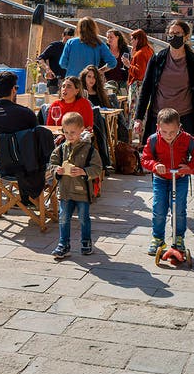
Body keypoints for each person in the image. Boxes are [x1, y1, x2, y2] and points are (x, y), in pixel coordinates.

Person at [133, 19, 194, 145]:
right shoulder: (157, 59)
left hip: (184, 119)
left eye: (178, 33)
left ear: (186, 37)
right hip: (159, 118)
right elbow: (146, 90)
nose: (174, 36)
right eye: (171, 33)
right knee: (158, 159)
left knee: (182, 160)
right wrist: (139, 118)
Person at [140, 108, 194, 256]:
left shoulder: (187, 139)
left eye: (172, 132)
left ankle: (179, 238)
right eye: (164, 132)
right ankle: (158, 238)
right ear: (158, 128)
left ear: (179, 127)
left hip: (180, 178)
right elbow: (145, 159)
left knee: (179, 210)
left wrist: (189, 167)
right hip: (161, 179)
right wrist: (155, 165)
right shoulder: (153, 139)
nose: (168, 136)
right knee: (158, 209)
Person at [47, 112, 102, 260]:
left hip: (82, 191)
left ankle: (86, 242)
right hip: (65, 191)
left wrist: (83, 171)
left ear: (81, 130)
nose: (69, 136)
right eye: (66, 132)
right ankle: (63, 244)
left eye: (73, 132)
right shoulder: (60, 148)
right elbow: (52, 163)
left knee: (84, 218)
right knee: (63, 218)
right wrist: (56, 170)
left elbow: (97, 169)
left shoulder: (89, 149)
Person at [126, 29, 154, 120]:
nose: (131, 42)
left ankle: (135, 133)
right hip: (147, 85)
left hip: (138, 87)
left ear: (137, 39)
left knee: (135, 113)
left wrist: (128, 65)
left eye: (132, 39)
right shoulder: (149, 50)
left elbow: (139, 74)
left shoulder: (140, 53)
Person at [38, 27, 74, 93]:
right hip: (54, 83)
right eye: (67, 40)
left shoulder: (74, 48)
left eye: (70, 41)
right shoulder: (55, 46)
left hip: (70, 84)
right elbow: (40, 59)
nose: (68, 43)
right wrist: (47, 69)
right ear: (63, 35)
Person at [103, 29, 131, 98]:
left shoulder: (124, 49)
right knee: (111, 100)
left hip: (122, 82)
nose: (109, 39)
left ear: (117, 37)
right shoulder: (105, 50)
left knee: (124, 99)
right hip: (109, 82)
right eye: (108, 37)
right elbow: (101, 64)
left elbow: (128, 65)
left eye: (111, 37)